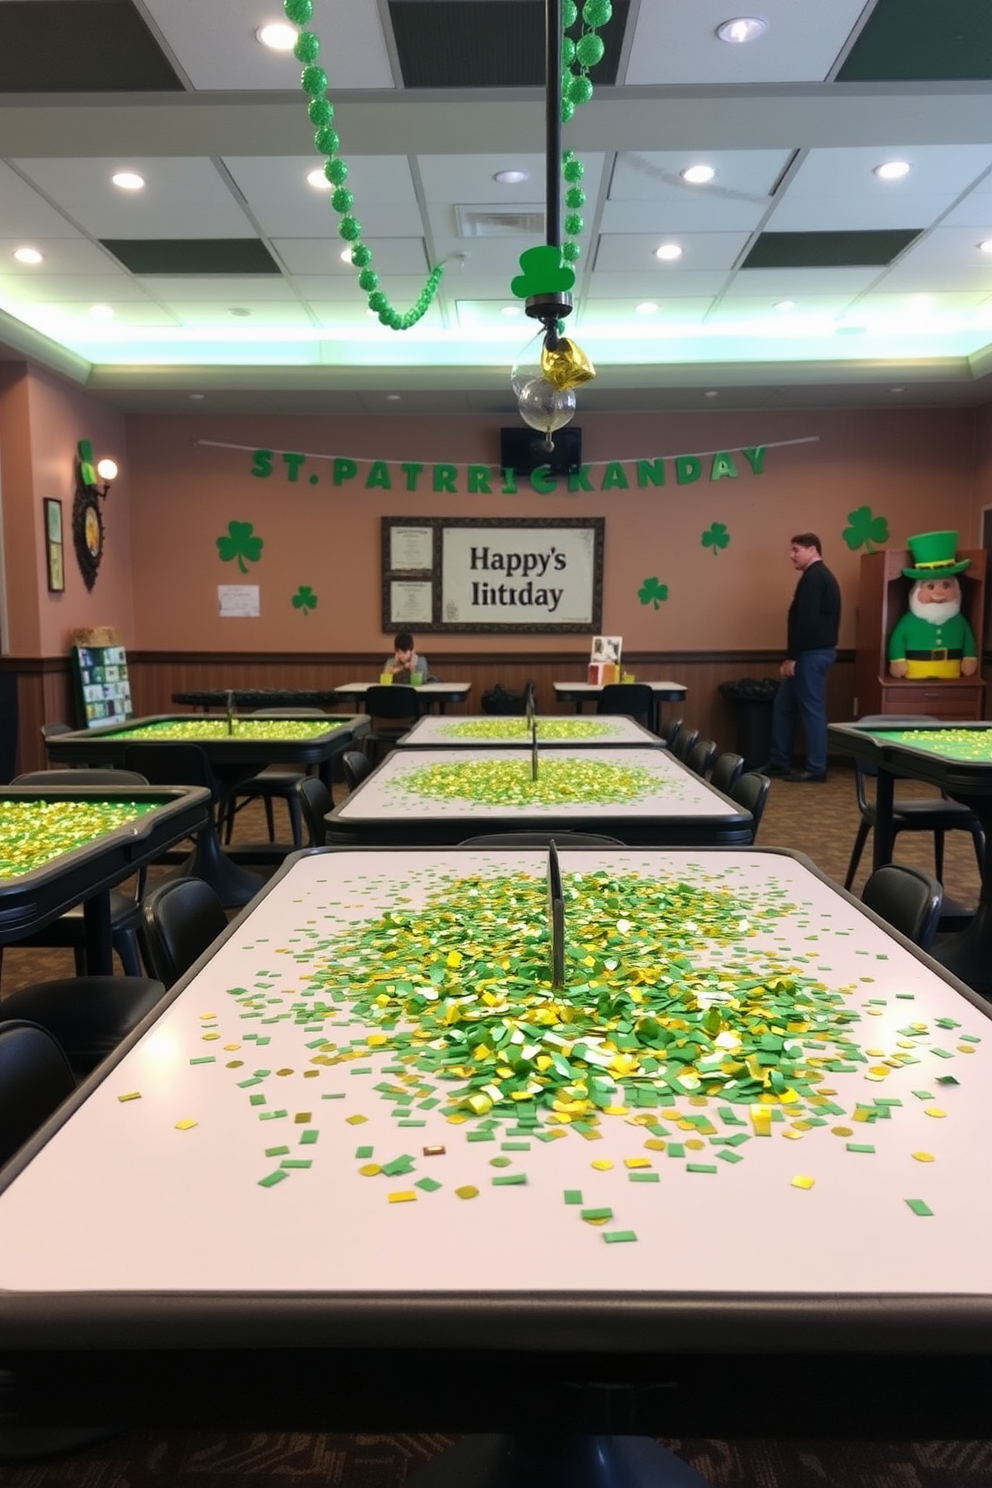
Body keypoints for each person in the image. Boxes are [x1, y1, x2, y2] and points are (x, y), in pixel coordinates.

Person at [764, 533, 841, 783]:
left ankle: (816, 767)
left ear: (812, 550)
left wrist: (793, 658)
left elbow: (806, 621)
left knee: (811, 709)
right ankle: (780, 761)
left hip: (810, 654)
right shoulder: (816, 577)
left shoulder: (814, 578)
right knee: (783, 705)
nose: (791, 555)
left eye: (796, 550)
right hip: (811, 652)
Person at [887, 531, 977, 680]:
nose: (939, 593)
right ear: (917, 591)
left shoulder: (959, 620)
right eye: (930, 587)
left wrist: (969, 657)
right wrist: (897, 660)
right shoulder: (908, 621)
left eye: (946, 585)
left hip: (951, 672)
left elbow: (968, 638)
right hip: (916, 670)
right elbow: (897, 638)